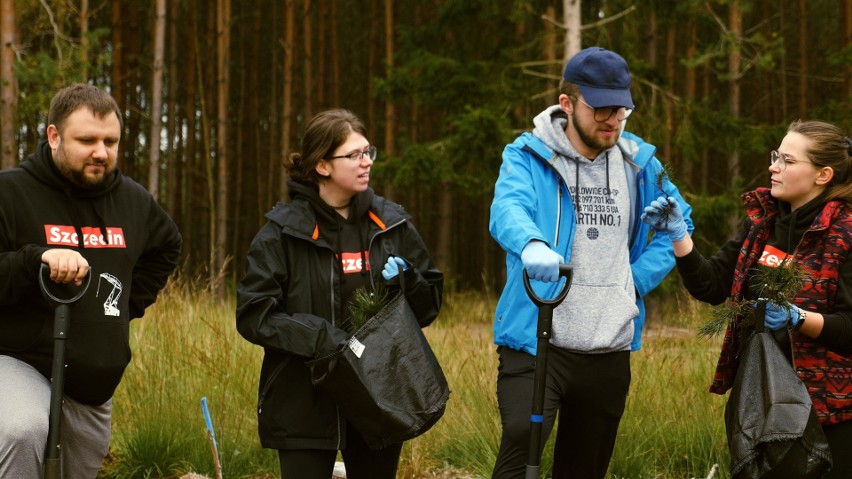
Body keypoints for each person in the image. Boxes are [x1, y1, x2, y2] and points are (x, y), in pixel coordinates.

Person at [488, 46, 694, 478]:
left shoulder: (639, 163)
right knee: (520, 446)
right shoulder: (528, 155)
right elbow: (508, 207)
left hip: (608, 344)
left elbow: (679, 221)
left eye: (621, 108)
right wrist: (530, 245)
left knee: (585, 468)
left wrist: (632, 281)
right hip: (538, 337)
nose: (612, 119)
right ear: (568, 103)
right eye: (601, 108)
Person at [235, 109, 443, 479]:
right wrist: (322, 338)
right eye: (354, 155)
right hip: (303, 401)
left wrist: (408, 283)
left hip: (379, 398)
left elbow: (428, 309)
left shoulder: (392, 225)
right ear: (322, 166)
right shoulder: (281, 233)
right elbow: (254, 315)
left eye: (368, 152)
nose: (366, 163)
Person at [642, 119, 852, 478]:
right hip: (761, 405)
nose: (773, 167)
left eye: (787, 160)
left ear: (822, 175)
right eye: (775, 156)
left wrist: (798, 318)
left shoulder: (845, 233)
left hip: (828, 413)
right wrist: (679, 235)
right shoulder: (762, 223)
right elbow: (711, 286)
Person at [0, 83, 182, 477]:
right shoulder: (10, 192)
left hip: (92, 379)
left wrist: (120, 308)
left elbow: (168, 247)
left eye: (110, 141)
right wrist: (37, 260)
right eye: (86, 140)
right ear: (53, 136)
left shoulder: (133, 201)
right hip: (18, 359)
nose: (101, 152)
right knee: (24, 429)